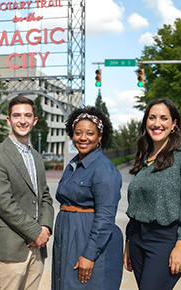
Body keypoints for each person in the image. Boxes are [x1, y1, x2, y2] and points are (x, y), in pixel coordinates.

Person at [124, 98, 181, 290]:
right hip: (137, 238)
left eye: (163, 118)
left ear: (173, 123)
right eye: (152, 118)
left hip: (166, 240)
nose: (157, 123)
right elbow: (135, 205)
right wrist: (128, 241)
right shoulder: (146, 156)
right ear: (146, 122)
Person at [0, 96, 54, 290]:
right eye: (17, 115)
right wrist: (35, 232)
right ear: (9, 120)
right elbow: (4, 204)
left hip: (38, 248)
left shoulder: (37, 157)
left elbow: (45, 196)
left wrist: (45, 228)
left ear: (34, 120)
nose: (22, 120)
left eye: (27, 115)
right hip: (10, 249)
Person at [52, 106, 123, 289]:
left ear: (100, 137)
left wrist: (90, 253)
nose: (83, 138)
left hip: (86, 237)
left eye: (90, 133)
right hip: (67, 235)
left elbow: (106, 215)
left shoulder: (104, 169)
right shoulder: (73, 165)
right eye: (78, 133)